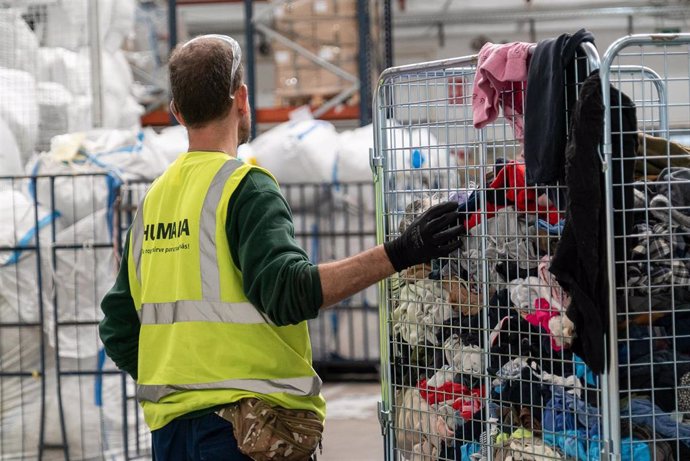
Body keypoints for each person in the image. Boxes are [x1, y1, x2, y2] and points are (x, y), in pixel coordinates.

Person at [99, 34, 464, 461]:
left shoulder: (153, 201)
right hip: (247, 432)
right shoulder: (243, 187)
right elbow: (289, 291)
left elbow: (118, 328)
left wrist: (175, 382)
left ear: (177, 112)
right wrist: (401, 252)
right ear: (242, 99)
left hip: (171, 435)